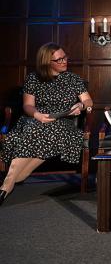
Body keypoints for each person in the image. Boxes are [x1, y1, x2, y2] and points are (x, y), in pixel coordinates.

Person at [0, 43, 93, 206]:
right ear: (46, 62)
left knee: (44, 129)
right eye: (59, 59)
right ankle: (11, 181)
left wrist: (80, 106)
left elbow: (88, 100)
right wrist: (37, 115)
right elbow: (28, 105)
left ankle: (7, 184)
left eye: (65, 57)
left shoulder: (73, 78)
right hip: (37, 118)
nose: (65, 61)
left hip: (63, 122)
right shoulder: (33, 78)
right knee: (33, 127)